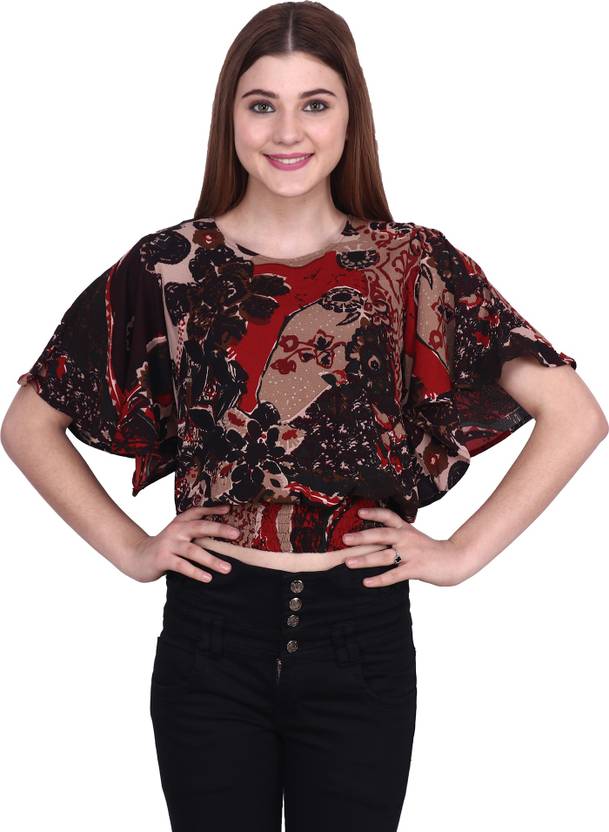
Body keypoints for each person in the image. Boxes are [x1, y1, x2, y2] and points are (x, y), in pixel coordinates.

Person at [2, 3, 607, 831]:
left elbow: (572, 413)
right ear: (230, 118)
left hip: (360, 638)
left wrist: (461, 554)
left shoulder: (409, 263)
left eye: (314, 103)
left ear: (349, 116)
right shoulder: (170, 266)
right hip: (210, 640)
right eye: (262, 104)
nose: (287, 131)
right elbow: (29, 422)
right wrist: (134, 552)